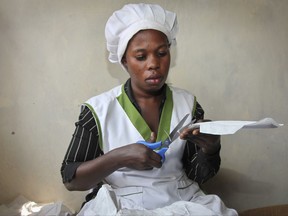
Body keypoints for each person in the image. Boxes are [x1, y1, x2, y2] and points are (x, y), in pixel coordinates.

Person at [61, 3, 238, 216]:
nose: (154, 64)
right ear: (124, 61)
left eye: (161, 53)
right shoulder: (98, 110)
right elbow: (71, 179)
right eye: (141, 56)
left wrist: (211, 150)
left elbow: (198, 175)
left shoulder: (188, 104)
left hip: (182, 201)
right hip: (123, 203)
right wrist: (119, 157)